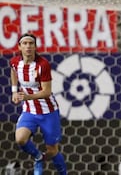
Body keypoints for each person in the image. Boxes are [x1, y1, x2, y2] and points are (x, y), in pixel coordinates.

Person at [10, 33, 67, 175]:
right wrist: (14, 91)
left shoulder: (43, 65)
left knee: (52, 150)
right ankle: (38, 157)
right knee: (20, 139)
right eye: (25, 43)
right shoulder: (15, 62)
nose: (28, 46)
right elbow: (13, 71)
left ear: (35, 47)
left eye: (31, 43)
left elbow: (47, 92)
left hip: (48, 112)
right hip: (29, 111)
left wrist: (28, 96)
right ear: (20, 47)